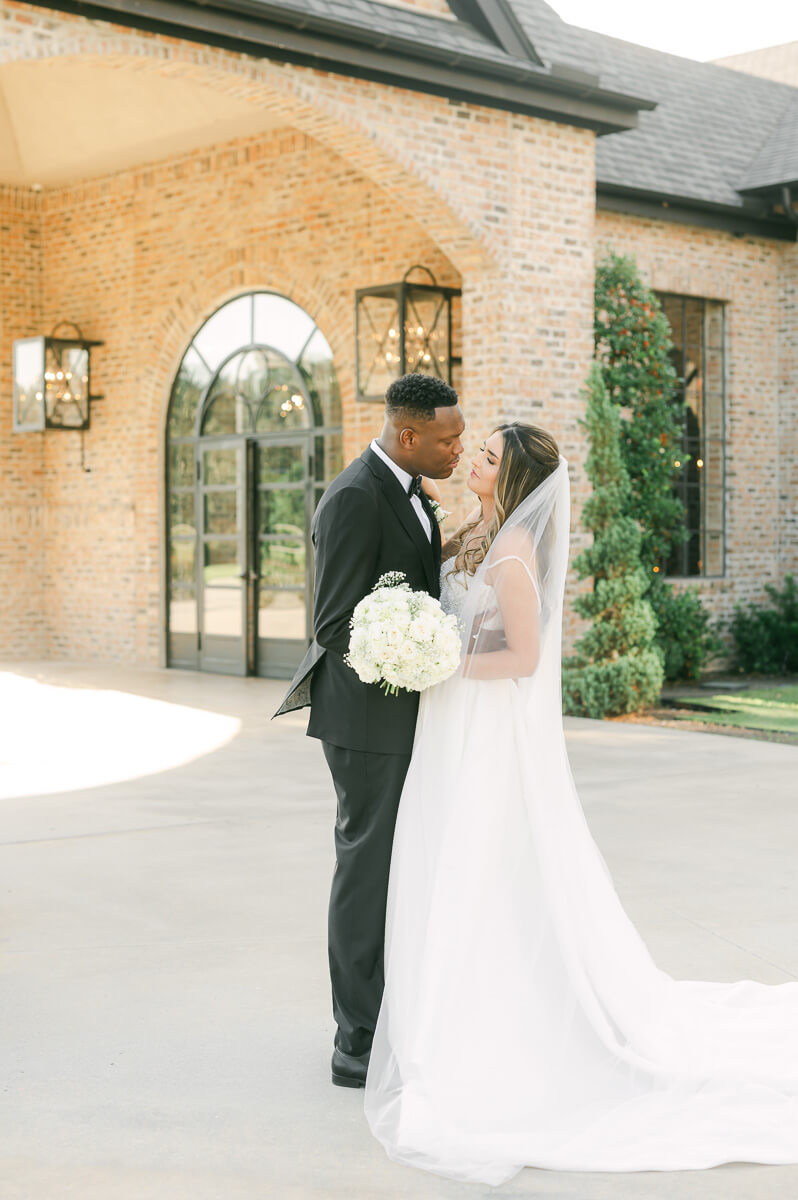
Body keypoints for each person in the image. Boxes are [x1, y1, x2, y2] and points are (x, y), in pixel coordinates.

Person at [364, 422, 798, 1187]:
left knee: (481, 868)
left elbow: (523, 658)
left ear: (516, 478)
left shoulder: (514, 553)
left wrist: (440, 655)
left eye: (490, 456)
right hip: (458, 728)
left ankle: (488, 1022)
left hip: (485, 734)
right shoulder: (483, 533)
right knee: (456, 866)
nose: (475, 459)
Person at [273, 372, 465, 1089]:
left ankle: (393, 1015)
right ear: (408, 435)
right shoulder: (355, 495)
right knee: (367, 869)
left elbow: (403, 577)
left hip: (405, 712)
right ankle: (354, 1039)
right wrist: (422, 638)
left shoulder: (413, 489)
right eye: (448, 440)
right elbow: (333, 623)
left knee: (399, 866)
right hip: (366, 721)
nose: (457, 450)